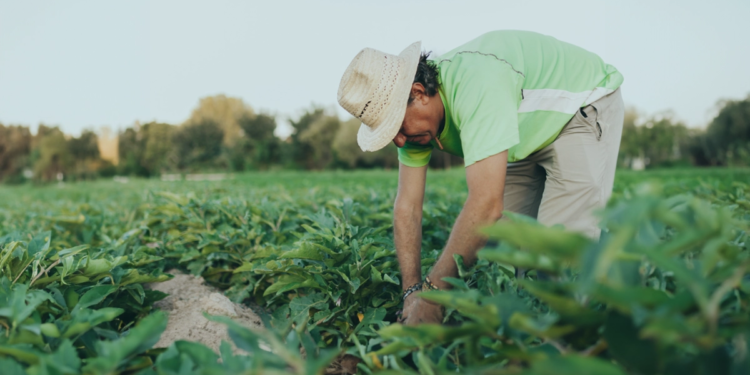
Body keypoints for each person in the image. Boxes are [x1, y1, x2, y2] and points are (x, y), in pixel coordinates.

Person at [336, 30, 624, 325]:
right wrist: (413, 291)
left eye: (395, 126)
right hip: (521, 132)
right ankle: (516, 342)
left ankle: (565, 348)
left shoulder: (477, 86)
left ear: (419, 93)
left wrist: (434, 294)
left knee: (556, 256)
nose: (397, 141)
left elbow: (486, 205)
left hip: (579, 109)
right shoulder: (415, 129)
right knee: (501, 253)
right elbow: (407, 207)